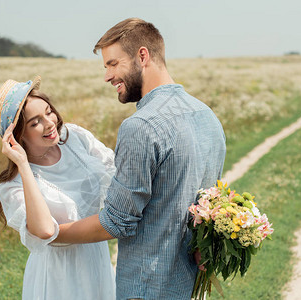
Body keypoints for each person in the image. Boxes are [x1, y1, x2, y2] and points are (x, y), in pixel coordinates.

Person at [53, 18, 227, 299]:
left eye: (112, 64)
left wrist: (52, 234)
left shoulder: (141, 126)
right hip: (191, 286)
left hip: (148, 286)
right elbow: (211, 203)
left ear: (142, 56)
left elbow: (117, 221)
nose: (107, 76)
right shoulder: (207, 116)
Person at [0, 76, 116, 300]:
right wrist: (24, 165)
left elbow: (116, 172)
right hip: (60, 276)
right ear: (17, 135)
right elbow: (46, 231)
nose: (49, 123)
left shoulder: (74, 137)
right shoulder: (12, 186)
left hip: (98, 257)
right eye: (34, 122)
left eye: (48, 111)